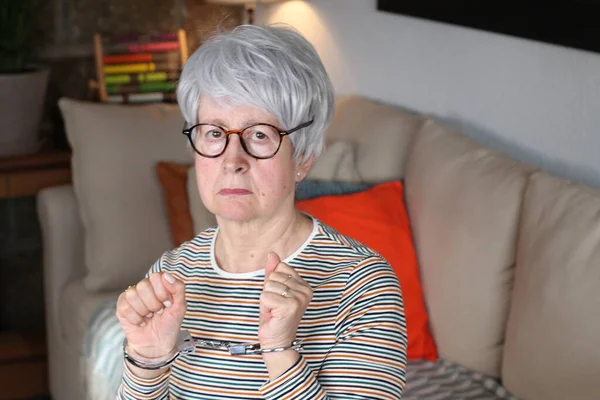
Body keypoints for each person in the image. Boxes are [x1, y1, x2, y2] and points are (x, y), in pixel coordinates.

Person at [116, 24, 407, 400]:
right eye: (214, 133)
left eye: (259, 135)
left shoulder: (362, 286)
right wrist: (148, 361)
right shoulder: (172, 274)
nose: (232, 160)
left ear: (302, 158)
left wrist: (280, 353)